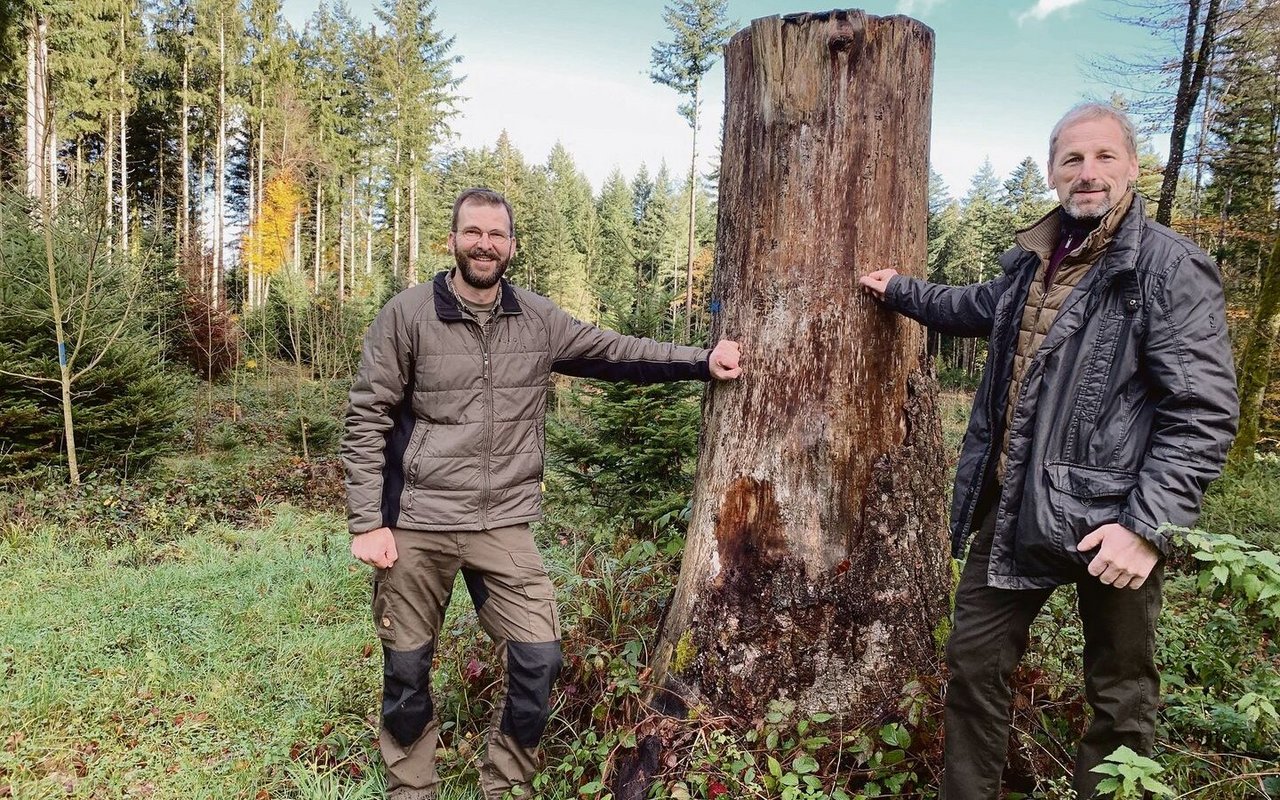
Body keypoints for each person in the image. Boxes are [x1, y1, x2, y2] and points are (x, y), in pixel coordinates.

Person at [859, 103, 1238, 797]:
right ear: (1052, 170)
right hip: (1015, 510)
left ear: (1131, 166)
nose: (1087, 173)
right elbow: (974, 307)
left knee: (1121, 694)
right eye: (1072, 159)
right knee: (974, 666)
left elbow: (1202, 413)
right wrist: (899, 291)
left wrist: (1146, 528)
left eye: (1102, 157)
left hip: (1115, 520)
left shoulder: (1169, 268)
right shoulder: (1033, 262)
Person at [341, 187, 742, 800]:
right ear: (452, 241)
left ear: (511, 246)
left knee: (539, 658)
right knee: (406, 668)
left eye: (496, 235)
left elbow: (614, 351)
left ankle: (504, 784)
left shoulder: (536, 319)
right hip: (417, 520)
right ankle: (411, 788)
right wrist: (368, 521)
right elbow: (367, 416)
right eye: (473, 233)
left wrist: (700, 360)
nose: (484, 244)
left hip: (503, 521)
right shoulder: (407, 314)